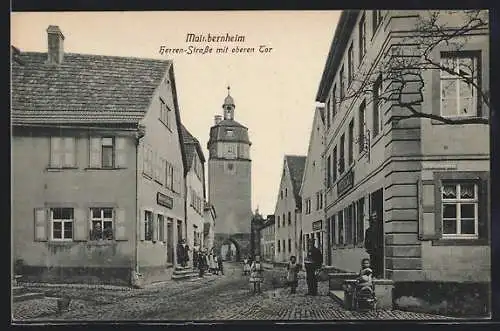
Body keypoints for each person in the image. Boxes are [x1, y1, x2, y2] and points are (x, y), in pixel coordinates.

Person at [364, 212, 381, 278]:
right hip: (372, 250)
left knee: (379, 263)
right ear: (371, 218)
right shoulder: (368, 230)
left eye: (376, 216)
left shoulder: (381, 228)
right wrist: (368, 248)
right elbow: (366, 240)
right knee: (373, 263)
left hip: (379, 250)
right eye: (373, 216)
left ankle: (378, 275)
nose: (375, 218)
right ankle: (373, 276)